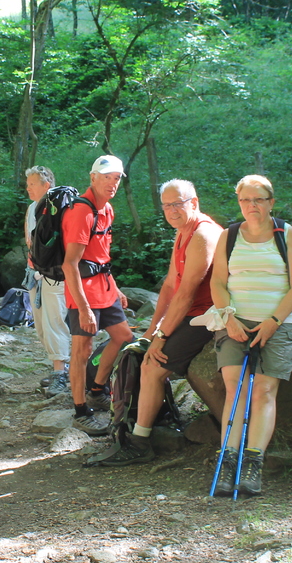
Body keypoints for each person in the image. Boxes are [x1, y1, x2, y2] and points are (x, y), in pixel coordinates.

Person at [96, 179, 224, 466]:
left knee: (152, 367)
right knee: (142, 354)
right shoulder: (183, 231)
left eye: (177, 204)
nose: (171, 211)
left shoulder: (203, 234)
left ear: (194, 202)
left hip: (207, 316)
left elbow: (186, 295)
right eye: (166, 206)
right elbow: (169, 286)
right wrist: (152, 330)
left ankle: (140, 443)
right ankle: (146, 423)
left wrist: (162, 337)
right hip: (189, 313)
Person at [208, 174, 292, 496]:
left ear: (271, 202)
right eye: (245, 200)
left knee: (264, 390)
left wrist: (273, 322)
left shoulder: (288, 235)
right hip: (235, 321)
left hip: (280, 321)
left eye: (259, 200)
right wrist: (228, 318)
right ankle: (228, 460)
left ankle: (253, 463)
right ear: (239, 203)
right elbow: (217, 282)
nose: (252, 206)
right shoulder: (228, 236)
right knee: (234, 386)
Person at [63, 155, 134, 436]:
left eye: (116, 178)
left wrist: (115, 288)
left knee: (124, 337)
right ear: (93, 177)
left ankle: (96, 390)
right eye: (106, 177)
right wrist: (83, 309)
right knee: (82, 350)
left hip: (104, 287)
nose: (112, 183)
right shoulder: (82, 211)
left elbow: (101, 258)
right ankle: (81, 411)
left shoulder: (107, 209)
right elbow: (70, 264)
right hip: (82, 291)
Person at [24, 166, 71, 397]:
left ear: (47, 185)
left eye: (32, 184)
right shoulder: (32, 208)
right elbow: (29, 241)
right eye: (28, 184)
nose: (28, 188)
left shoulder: (61, 209)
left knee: (54, 323)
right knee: (42, 328)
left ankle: (60, 373)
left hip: (55, 275)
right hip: (34, 273)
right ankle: (62, 368)